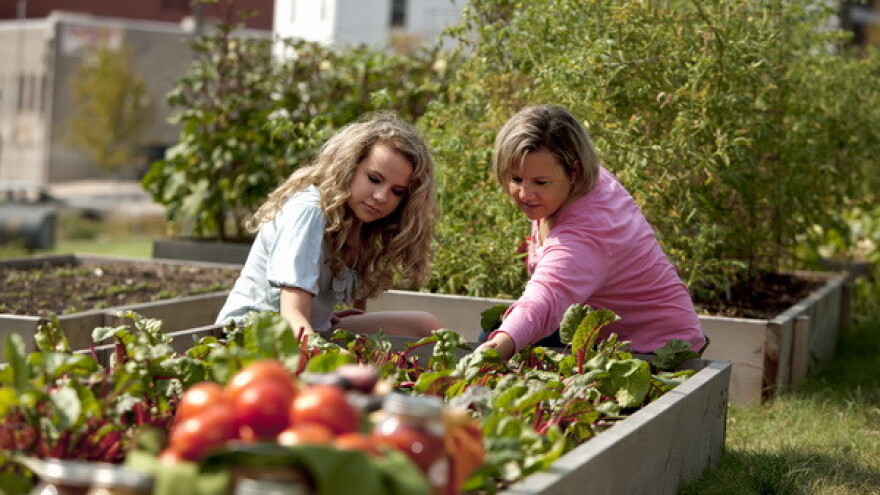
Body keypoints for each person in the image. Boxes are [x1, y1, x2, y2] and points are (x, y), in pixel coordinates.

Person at [476, 105, 707, 360]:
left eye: (540, 182)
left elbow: (547, 299)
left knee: (502, 338)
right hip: (606, 335)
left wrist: (493, 354)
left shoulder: (589, 230)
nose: (525, 194)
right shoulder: (568, 189)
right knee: (499, 331)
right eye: (516, 179)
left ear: (573, 171)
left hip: (655, 352)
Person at [216, 113, 442, 339]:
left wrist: (325, 315)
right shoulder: (309, 212)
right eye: (374, 179)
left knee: (424, 325)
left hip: (309, 330)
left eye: (397, 191)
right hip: (255, 335)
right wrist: (340, 366)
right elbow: (291, 313)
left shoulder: (361, 223)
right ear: (349, 166)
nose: (382, 196)